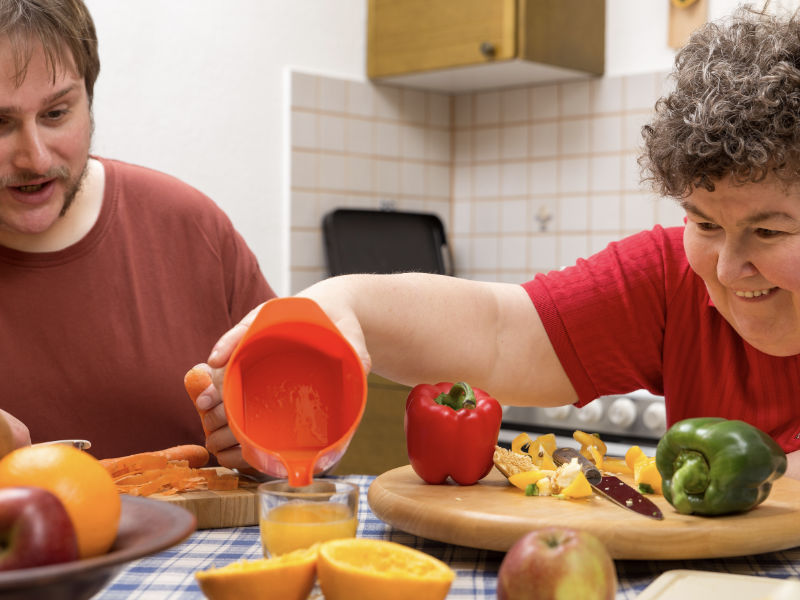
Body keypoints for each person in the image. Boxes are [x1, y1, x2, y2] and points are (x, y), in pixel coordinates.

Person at [203, 6, 800, 479]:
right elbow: (497, 332)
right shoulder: (670, 278)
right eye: (705, 223)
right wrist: (341, 304)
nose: (725, 268)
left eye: (769, 231)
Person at [0, 0, 275, 458]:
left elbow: (312, 419)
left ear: (89, 99)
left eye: (56, 114)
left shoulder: (189, 224)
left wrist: (274, 442)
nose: (37, 159)